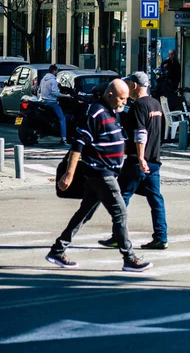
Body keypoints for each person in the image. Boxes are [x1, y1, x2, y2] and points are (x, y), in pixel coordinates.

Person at [45, 80, 153, 272]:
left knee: (84, 213)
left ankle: (57, 249)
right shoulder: (96, 112)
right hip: (100, 172)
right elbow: (78, 143)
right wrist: (69, 175)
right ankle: (129, 258)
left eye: (126, 99)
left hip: (107, 172)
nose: (124, 103)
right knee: (120, 213)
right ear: (110, 95)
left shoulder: (112, 112)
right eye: (122, 98)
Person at [98, 72, 168, 250]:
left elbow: (140, 134)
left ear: (135, 86)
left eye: (128, 84)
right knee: (155, 199)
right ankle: (161, 237)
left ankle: (118, 236)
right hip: (154, 160)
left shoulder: (139, 106)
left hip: (139, 161)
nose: (126, 87)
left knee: (122, 198)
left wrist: (141, 157)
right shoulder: (155, 104)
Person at [39, 64, 70, 145]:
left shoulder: (43, 79)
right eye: (56, 71)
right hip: (51, 102)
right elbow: (55, 93)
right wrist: (66, 95)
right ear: (54, 71)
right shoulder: (53, 81)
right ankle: (64, 138)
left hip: (43, 101)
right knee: (62, 118)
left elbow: (39, 90)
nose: (57, 72)